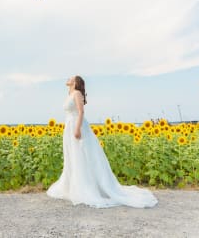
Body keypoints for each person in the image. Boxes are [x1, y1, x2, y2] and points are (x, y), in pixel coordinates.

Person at [47, 75, 158, 208]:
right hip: (69, 125)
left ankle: (86, 188)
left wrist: (77, 129)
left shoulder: (76, 93)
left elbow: (81, 112)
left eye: (72, 78)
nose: (68, 78)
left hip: (77, 126)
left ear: (76, 83)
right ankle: (74, 186)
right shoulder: (69, 93)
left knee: (81, 155)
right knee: (72, 156)